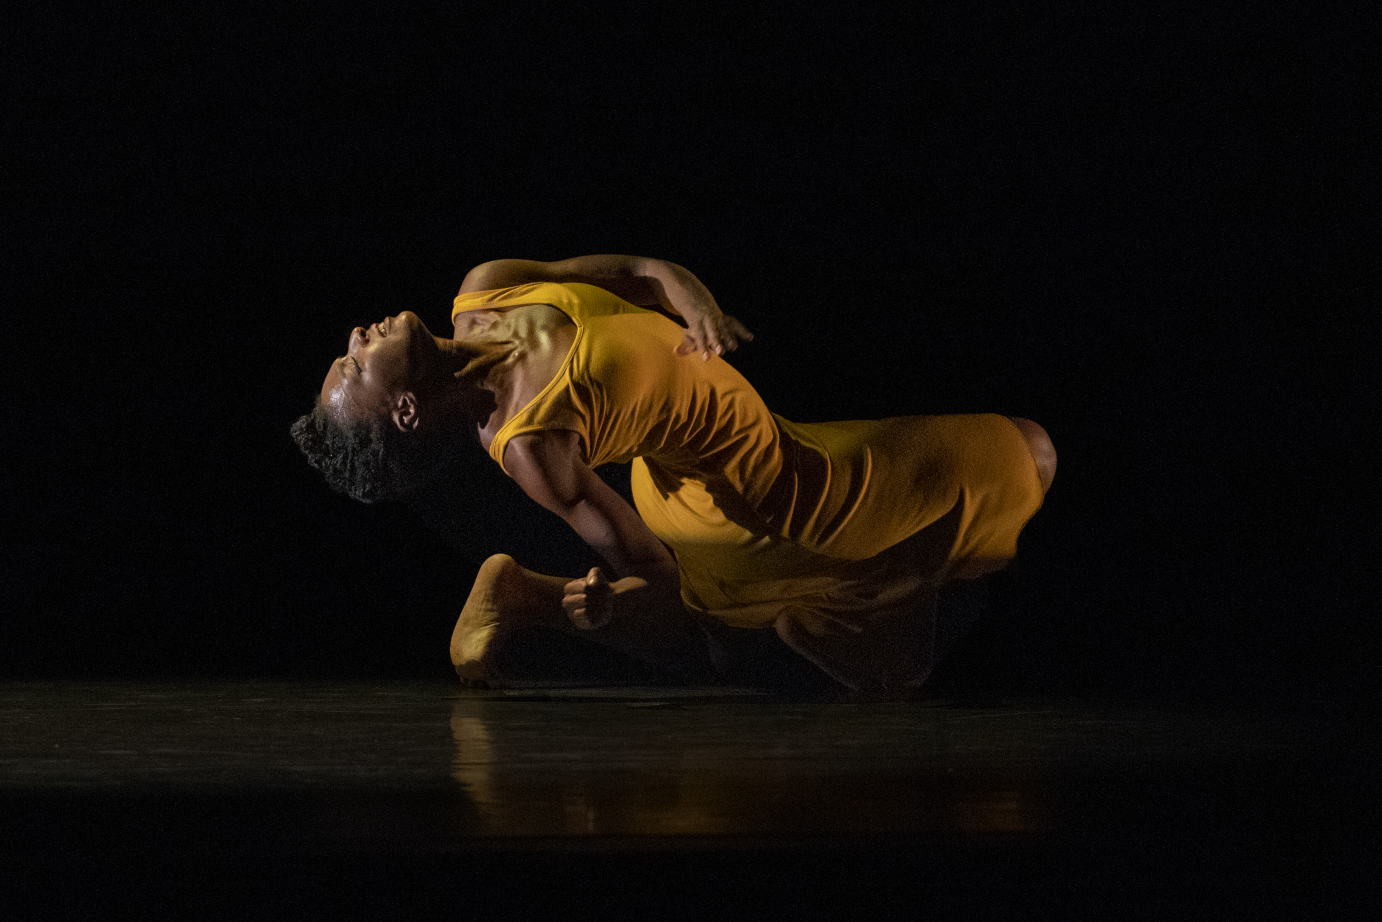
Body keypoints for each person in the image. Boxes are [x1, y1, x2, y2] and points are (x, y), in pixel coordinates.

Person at [291, 255, 1055, 696]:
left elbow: (640, 272)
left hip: (766, 448)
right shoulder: (530, 443)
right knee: (1029, 455)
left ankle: (530, 598)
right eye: (355, 362)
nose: (357, 336)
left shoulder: (487, 287)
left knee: (866, 605)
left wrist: (690, 294)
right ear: (406, 413)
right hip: (765, 499)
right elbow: (649, 570)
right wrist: (595, 603)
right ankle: (532, 597)